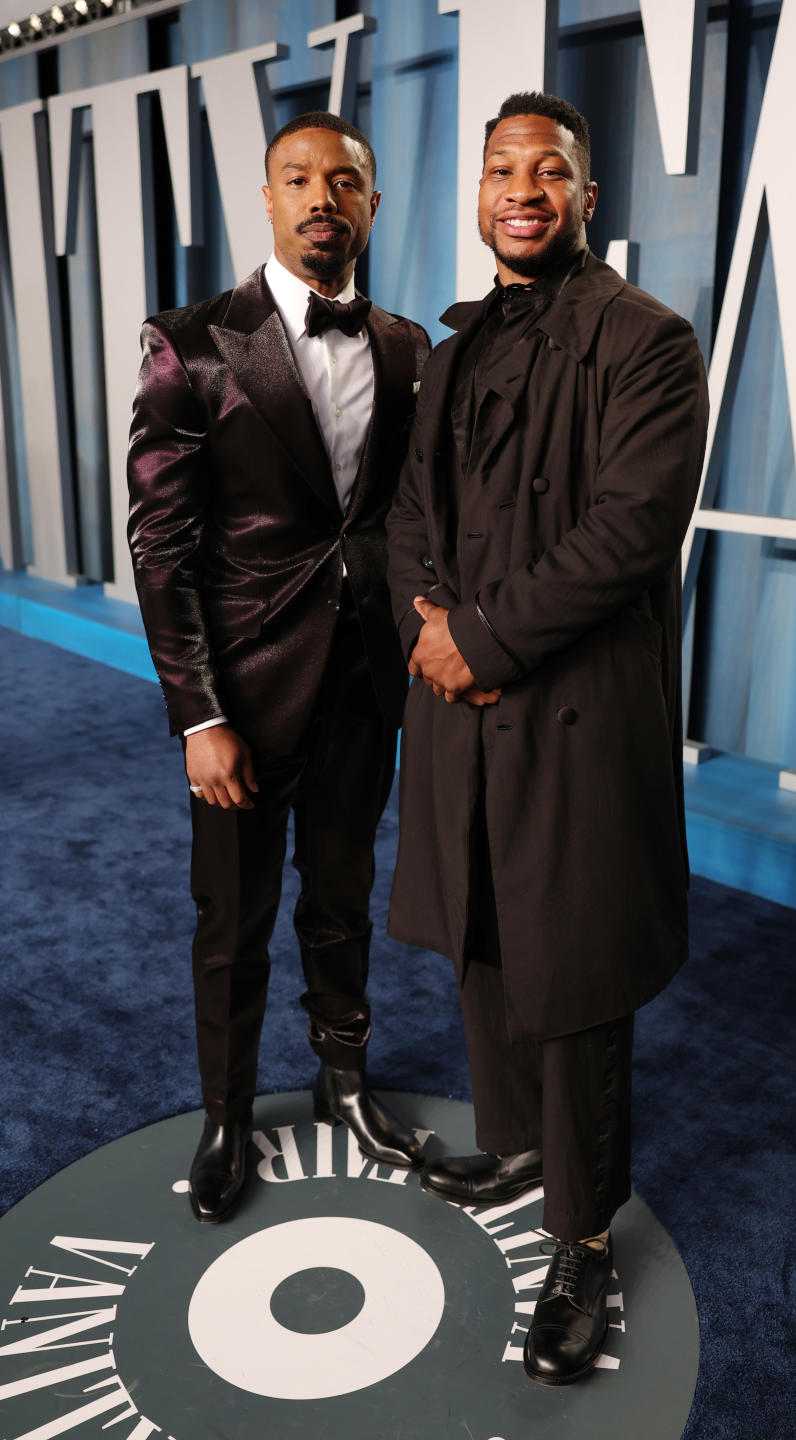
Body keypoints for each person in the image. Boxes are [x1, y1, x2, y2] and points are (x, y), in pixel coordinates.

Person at [386, 92, 708, 1385]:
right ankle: (520, 1144)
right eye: (502, 169)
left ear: (586, 196)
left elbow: (629, 530)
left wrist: (482, 641)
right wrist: (425, 622)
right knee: (484, 939)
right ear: (478, 194)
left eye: (551, 170)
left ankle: (579, 1237)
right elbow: (413, 506)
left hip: (572, 714)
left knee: (574, 981)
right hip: (458, 704)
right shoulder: (453, 351)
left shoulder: (650, 341)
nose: (523, 188)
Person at [127, 110, 429, 1224]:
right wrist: (199, 716)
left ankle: (345, 1085)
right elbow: (161, 547)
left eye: (342, 180)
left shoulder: (406, 347)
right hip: (243, 698)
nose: (320, 198)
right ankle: (226, 1115)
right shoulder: (193, 341)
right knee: (233, 917)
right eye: (296, 178)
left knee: (342, 902)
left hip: (362, 684)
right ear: (265, 198)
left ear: (370, 203)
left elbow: (407, 520)